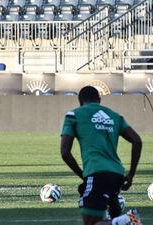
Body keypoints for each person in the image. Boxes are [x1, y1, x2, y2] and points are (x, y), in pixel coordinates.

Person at [60, 86, 143, 225]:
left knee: (92, 223)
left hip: (97, 173)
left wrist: (83, 175)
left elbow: (65, 152)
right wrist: (131, 174)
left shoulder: (73, 115)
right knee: (110, 215)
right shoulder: (114, 116)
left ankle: (129, 221)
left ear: (80, 101)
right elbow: (137, 141)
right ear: (99, 100)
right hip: (117, 174)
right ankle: (120, 220)